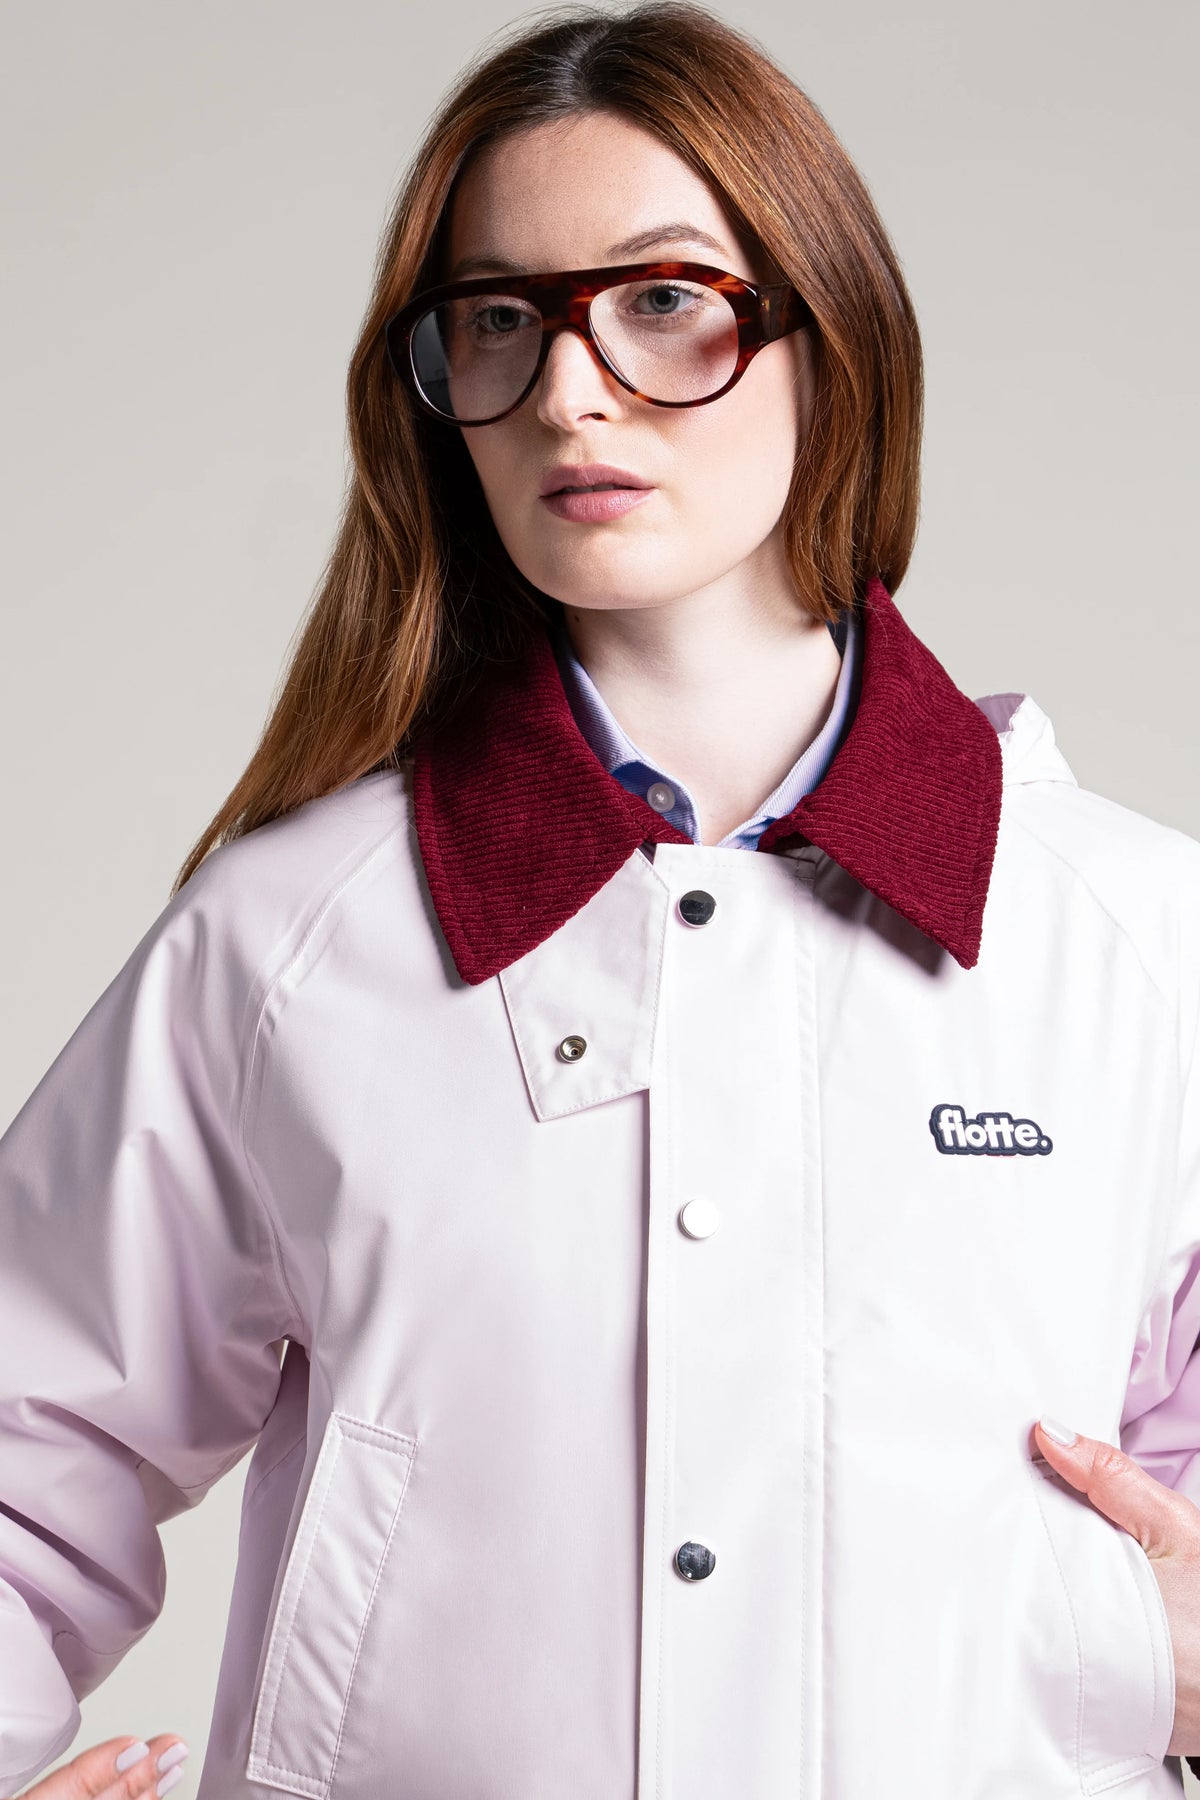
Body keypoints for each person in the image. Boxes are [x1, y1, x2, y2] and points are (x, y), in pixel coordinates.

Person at [4, 3, 1200, 1796]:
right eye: (500, 319)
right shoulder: (289, 943)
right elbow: (24, 1455)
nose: (570, 389)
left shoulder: (1141, 942)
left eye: (660, 300)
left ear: (830, 334)